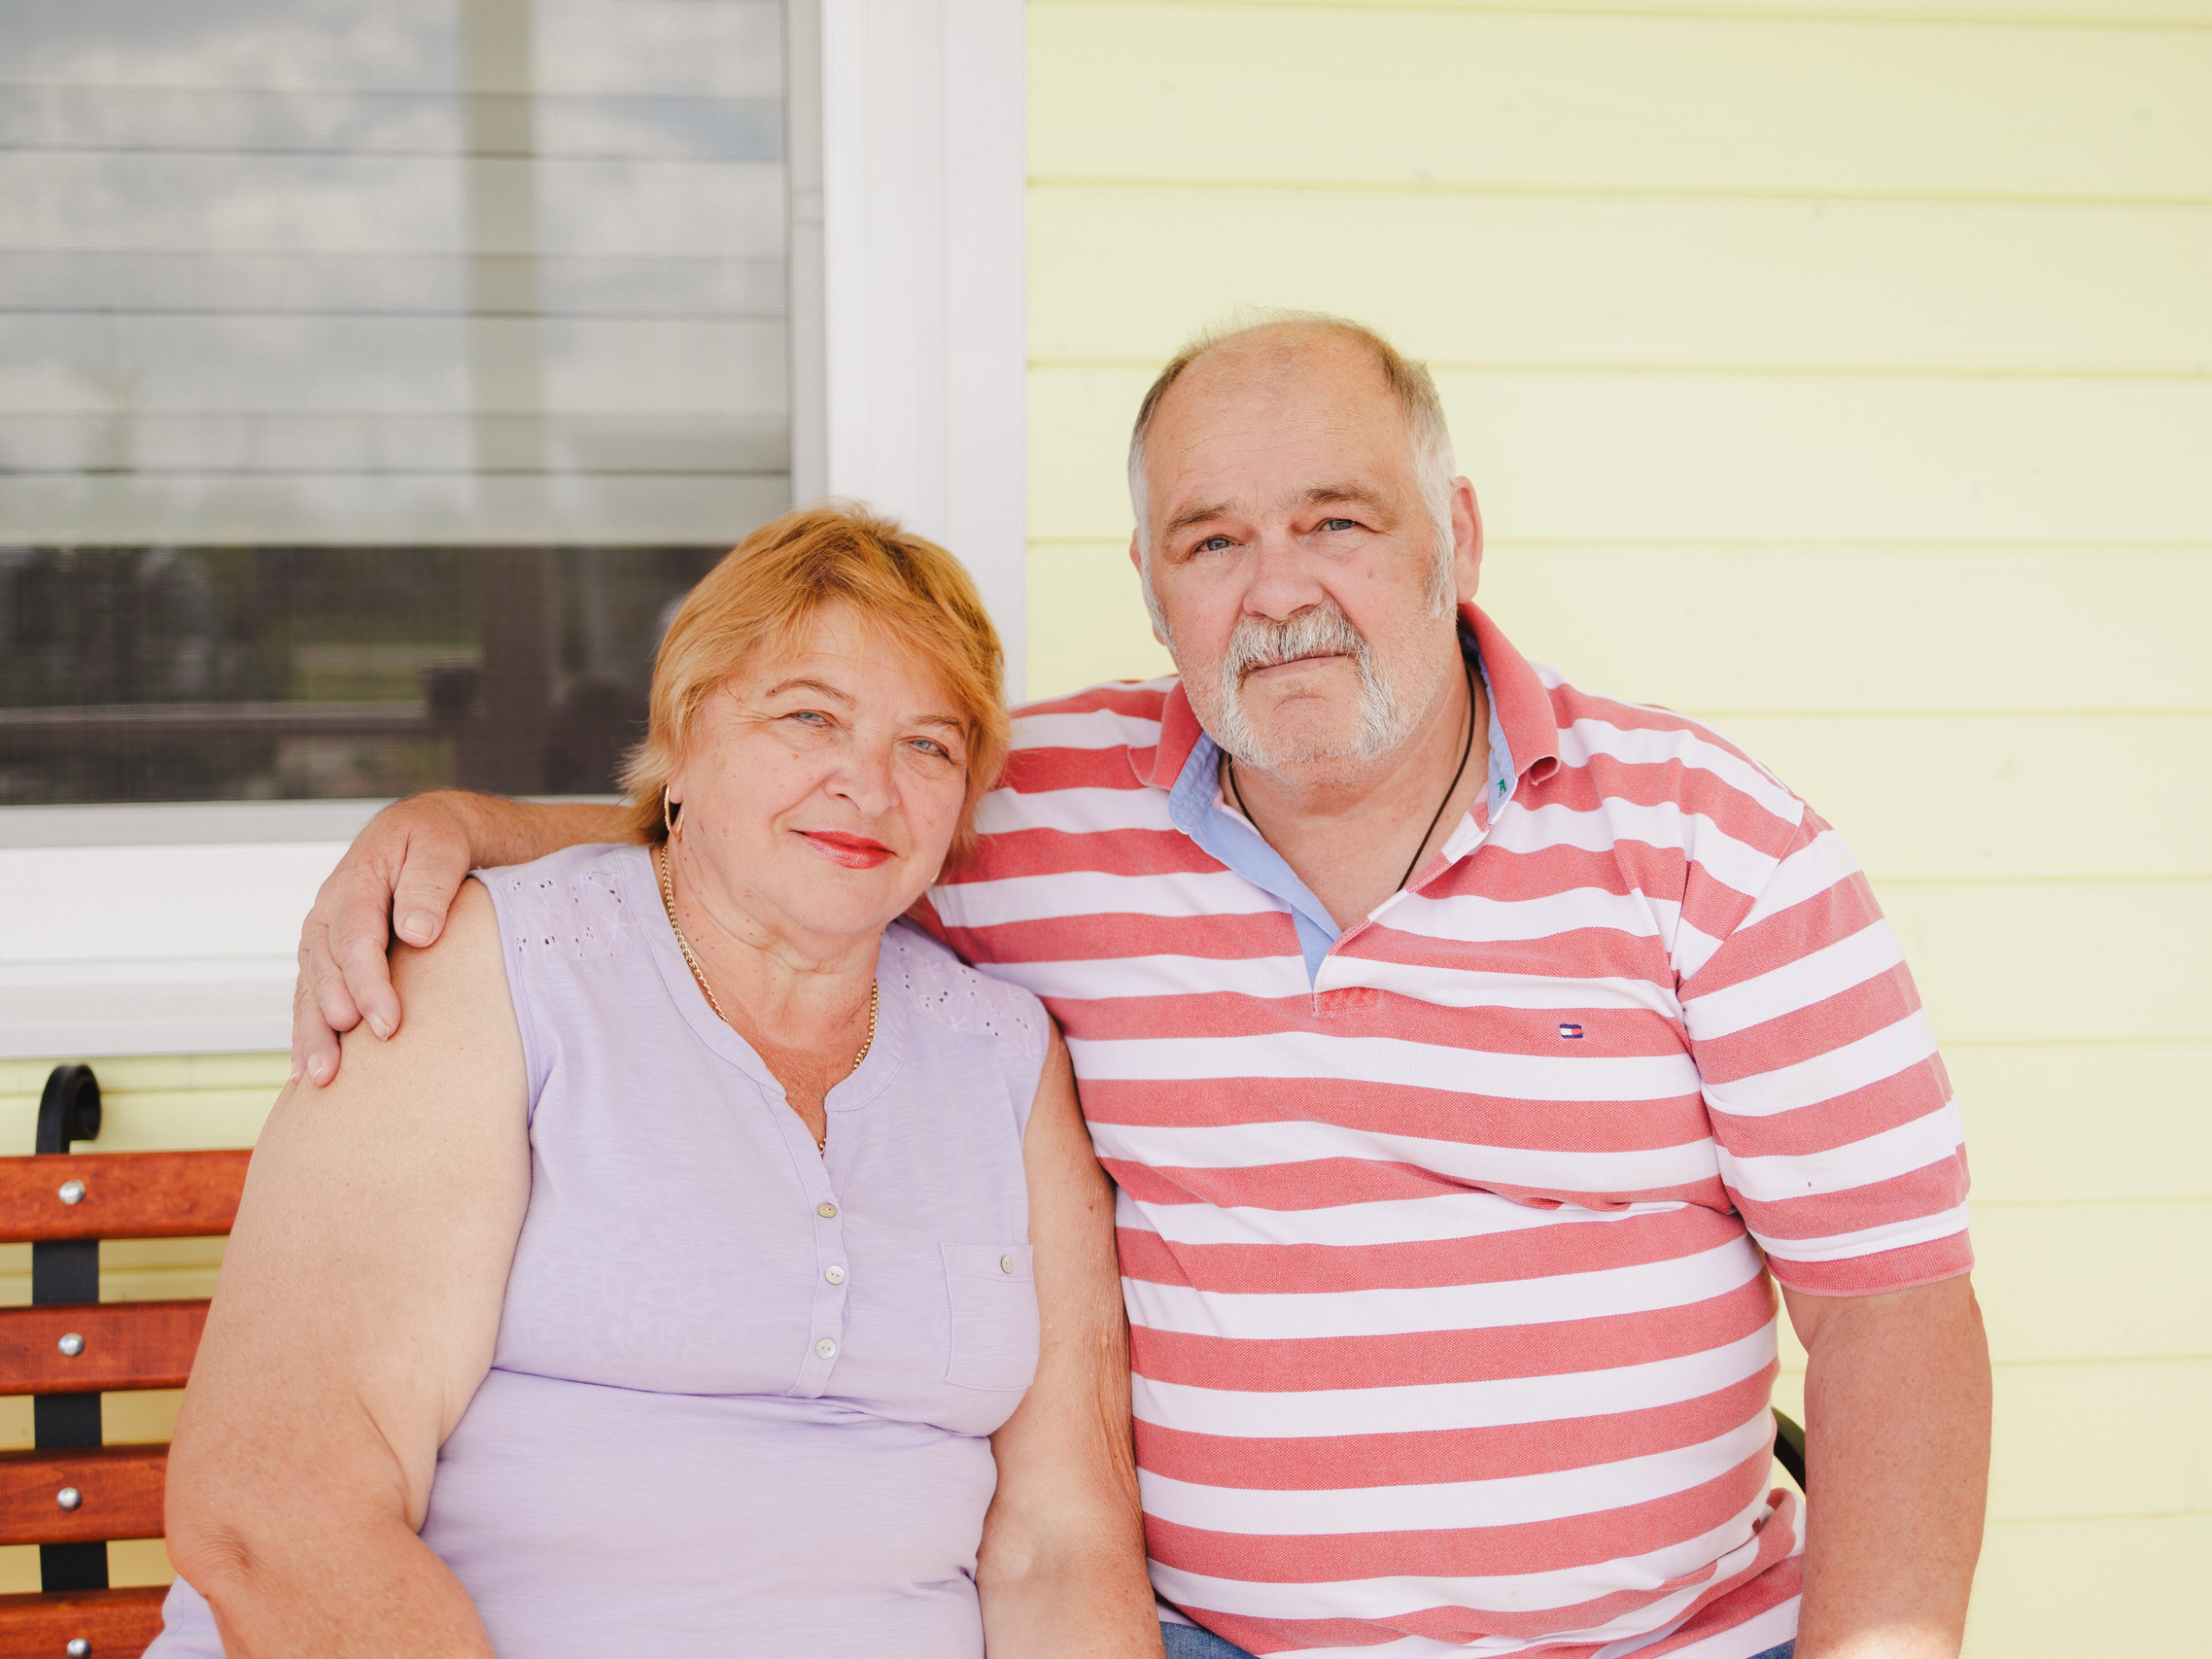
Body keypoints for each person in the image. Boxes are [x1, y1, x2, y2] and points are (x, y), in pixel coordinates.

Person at [293, 314, 1992, 1659]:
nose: (1279, 589)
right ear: (1151, 583)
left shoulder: (1717, 851)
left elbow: (1892, 1314)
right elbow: (786, 820)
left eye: (1339, 519)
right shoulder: (1039, 809)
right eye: (1212, 539)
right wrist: (471, 822)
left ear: (1455, 537)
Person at [154, 506, 1164, 1658]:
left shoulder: (1003, 1056)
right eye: (807, 718)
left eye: (926, 746)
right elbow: (278, 1507)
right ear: (682, 739)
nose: (868, 786)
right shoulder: (491, 970)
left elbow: (1060, 1547)